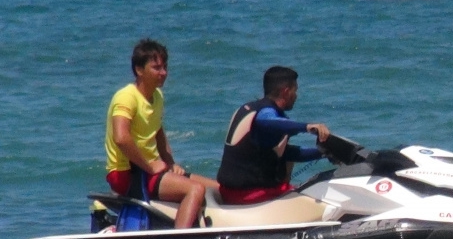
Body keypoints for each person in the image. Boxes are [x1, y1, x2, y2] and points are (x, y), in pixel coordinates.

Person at [104, 39, 220, 228]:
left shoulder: (157, 96)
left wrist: (170, 163)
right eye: (156, 68)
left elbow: (158, 132)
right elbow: (121, 138)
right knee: (195, 189)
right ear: (139, 70)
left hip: (151, 170)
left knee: (216, 187)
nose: (163, 73)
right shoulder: (126, 97)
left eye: (165, 67)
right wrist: (150, 166)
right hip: (127, 173)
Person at [217, 66, 331, 205]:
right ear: (286, 91)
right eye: (295, 91)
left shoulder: (251, 108)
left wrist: (325, 152)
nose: (296, 96)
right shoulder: (265, 114)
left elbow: (287, 153)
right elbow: (268, 122)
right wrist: (306, 127)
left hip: (235, 191)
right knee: (323, 200)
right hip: (248, 194)